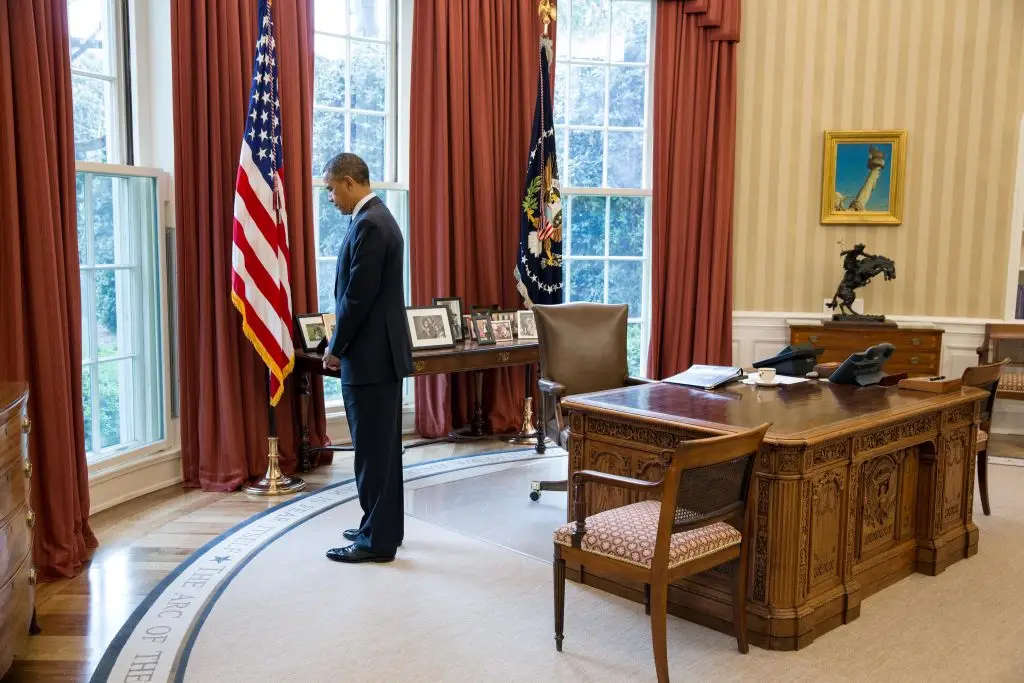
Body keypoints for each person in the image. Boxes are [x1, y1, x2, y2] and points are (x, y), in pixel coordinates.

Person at [321, 153, 412, 564]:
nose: (330, 198)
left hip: (372, 360)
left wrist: (335, 347)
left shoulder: (371, 224)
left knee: (373, 454)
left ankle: (376, 541)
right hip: (380, 358)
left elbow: (358, 299)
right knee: (382, 451)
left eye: (331, 189)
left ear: (349, 182)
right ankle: (380, 525)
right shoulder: (377, 218)